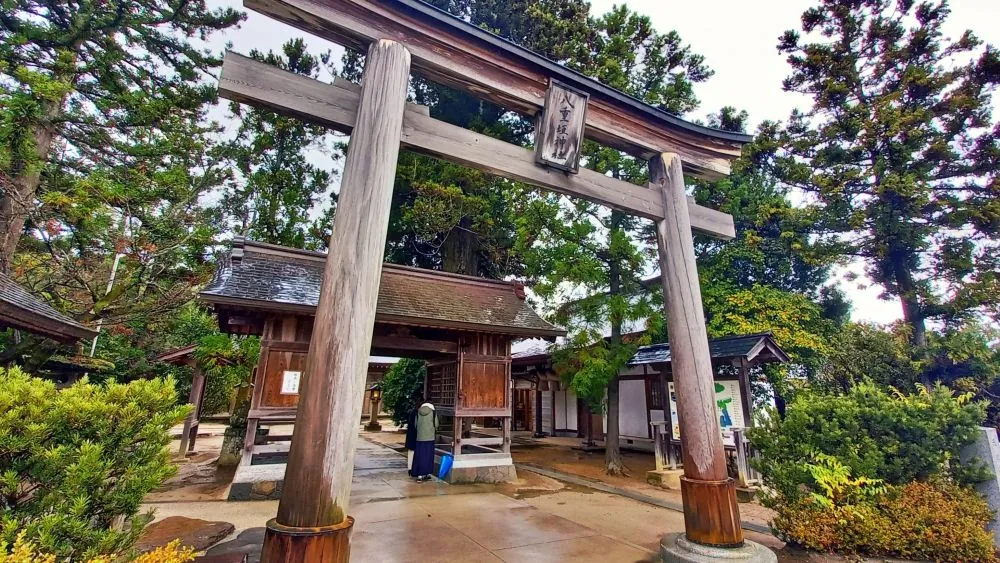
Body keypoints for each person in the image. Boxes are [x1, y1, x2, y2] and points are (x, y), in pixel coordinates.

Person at [411, 401, 438, 482]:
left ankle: (419, 475)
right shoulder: (433, 413)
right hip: (430, 438)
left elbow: (415, 424)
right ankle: (427, 473)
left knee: (420, 456)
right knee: (428, 456)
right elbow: (436, 424)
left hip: (420, 438)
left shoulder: (418, 412)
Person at [404, 398, 420, 476]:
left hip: (410, 436)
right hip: (414, 435)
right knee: (413, 452)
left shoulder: (412, 412)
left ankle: (410, 468)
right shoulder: (416, 413)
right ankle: (412, 468)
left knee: (411, 453)